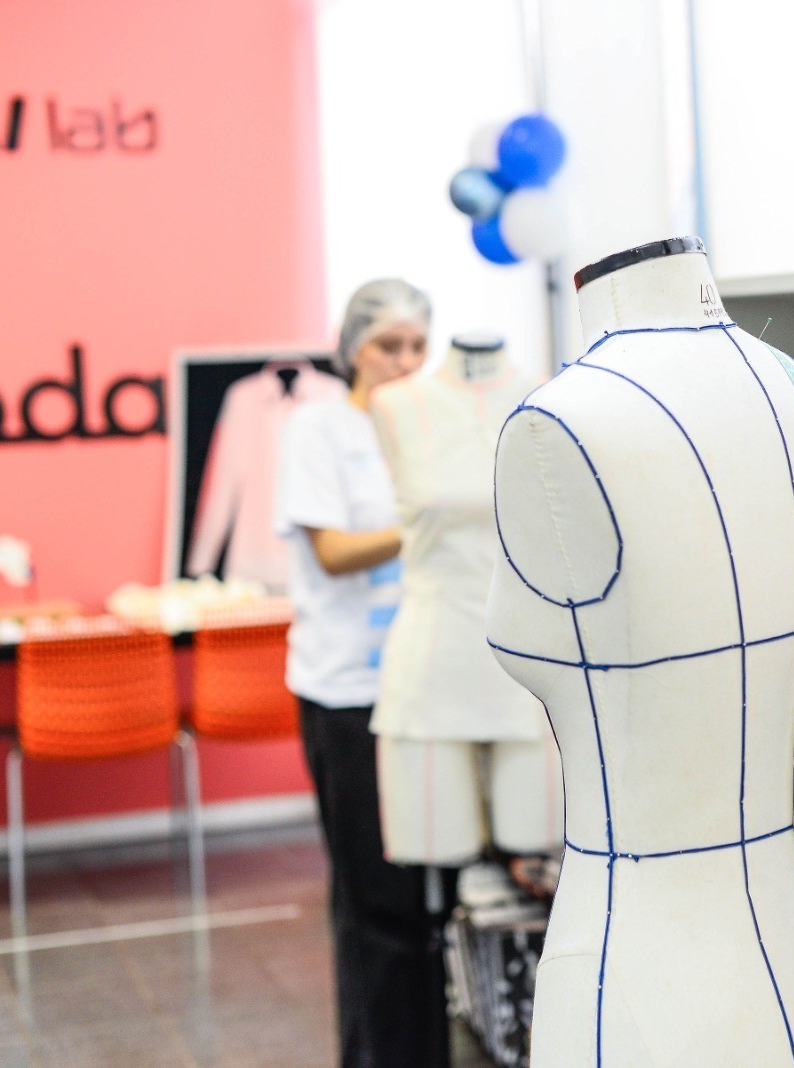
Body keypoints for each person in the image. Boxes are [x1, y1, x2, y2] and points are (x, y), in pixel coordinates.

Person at [274, 278, 443, 1067]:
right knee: (376, 901)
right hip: (347, 694)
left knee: (413, 896)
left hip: (420, 687)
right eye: (388, 346)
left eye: (417, 345)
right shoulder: (318, 430)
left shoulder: (427, 426)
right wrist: (424, 522)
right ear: (351, 349)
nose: (404, 362)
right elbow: (334, 552)